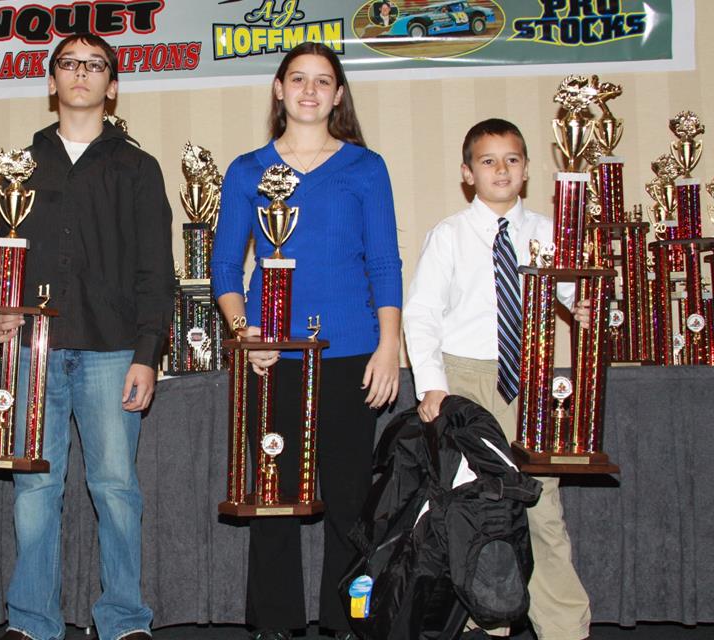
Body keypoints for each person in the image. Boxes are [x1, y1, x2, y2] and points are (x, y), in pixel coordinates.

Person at [210, 42, 403, 640]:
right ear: (279, 88)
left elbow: (384, 263)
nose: (310, 90)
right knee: (274, 499)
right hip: (272, 360)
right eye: (298, 78)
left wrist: (390, 345)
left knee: (349, 503)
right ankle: (275, 624)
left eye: (324, 81)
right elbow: (223, 267)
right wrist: (247, 335)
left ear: (339, 95)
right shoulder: (248, 170)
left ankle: (349, 623)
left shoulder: (366, 167)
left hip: (350, 354)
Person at [0, 32, 173, 640]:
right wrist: (1, 309)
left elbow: (156, 272)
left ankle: (123, 619)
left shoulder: (138, 169)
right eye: (69, 64)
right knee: (33, 491)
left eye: (95, 66)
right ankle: (33, 621)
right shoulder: (20, 165)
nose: (82, 74)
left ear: (112, 86)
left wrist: (148, 354)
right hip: (33, 353)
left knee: (116, 490)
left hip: (113, 349)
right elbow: (8, 258)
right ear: (52, 81)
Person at [403, 117, 592, 640]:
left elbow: (575, 299)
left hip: (531, 382)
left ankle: (564, 626)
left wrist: (588, 294)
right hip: (467, 383)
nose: (501, 169)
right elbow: (422, 314)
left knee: (541, 503)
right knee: (474, 506)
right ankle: (481, 618)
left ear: (527, 169)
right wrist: (433, 386)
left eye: (511, 159)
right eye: (488, 161)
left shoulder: (550, 234)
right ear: (468, 174)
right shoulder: (449, 236)